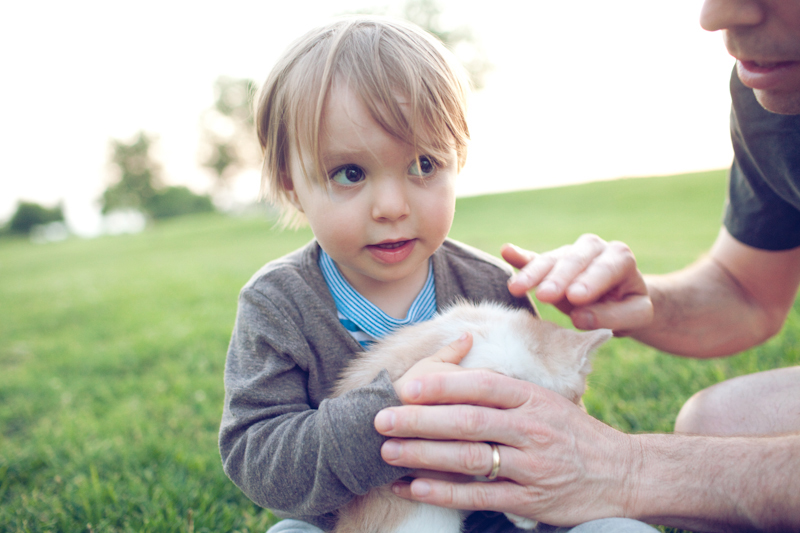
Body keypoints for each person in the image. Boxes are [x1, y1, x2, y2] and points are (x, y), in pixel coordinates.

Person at [372, 1, 800, 531]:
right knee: (721, 421)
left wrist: (631, 469)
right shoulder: (773, 92)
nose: (715, 16)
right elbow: (749, 292)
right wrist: (638, 304)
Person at [219, 15, 641, 533]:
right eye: (349, 173)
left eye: (423, 165)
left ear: (456, 160)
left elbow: (548, 427)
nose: (392, 206)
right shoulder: (278, 304)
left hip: (496, 516)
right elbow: (258, 458)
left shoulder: (488, 287)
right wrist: (394, 411)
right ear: (291, 185)